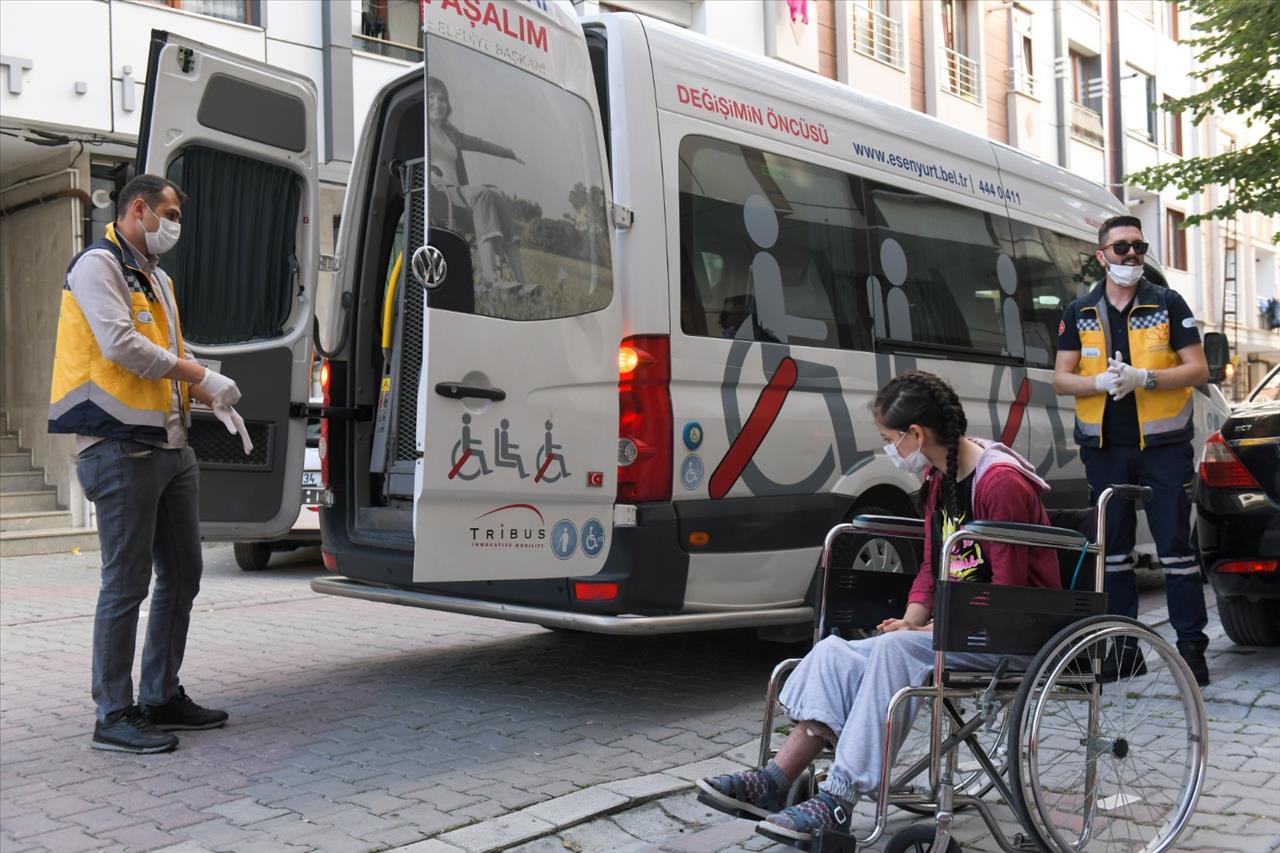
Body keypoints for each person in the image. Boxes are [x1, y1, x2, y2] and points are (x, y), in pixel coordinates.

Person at [697, 370, 1060, 844]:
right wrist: (912, 618)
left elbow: (1009, 592)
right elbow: (934, 562)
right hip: (962, 627)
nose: (889, 450)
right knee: (834, 652)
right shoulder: (940, 478)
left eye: (890, 439)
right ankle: (776, 779)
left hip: (1013, 632)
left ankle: (839, 800)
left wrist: (926, 630)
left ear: (916, 434)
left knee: (895, 653)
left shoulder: (1000, 483)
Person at [49, 174, 252, 753]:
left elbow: (172, 354)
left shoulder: (157, 279)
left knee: (184, 575)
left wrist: (206, 391)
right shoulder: (97, 266)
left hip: (169, 446)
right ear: (138, 209)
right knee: (126, 584)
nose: (174, 226)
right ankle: (113, 714)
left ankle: (160, 695)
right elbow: (120, 345)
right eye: (167, 213)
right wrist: (198, 375)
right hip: (117, 447)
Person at [1052, 214, 1210, 686]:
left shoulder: (1167, 303)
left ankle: (1191, 655)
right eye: (1122, 248)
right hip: (1105, 448)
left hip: (1163, 446)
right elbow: (1060, 378)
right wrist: (1096, 382)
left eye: (1139, 247)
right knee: (1114, 555)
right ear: (1102, 256)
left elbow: (1198, 370)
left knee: (1175, 552)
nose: (1132, 256)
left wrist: (1148, 378)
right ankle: (1123, 654)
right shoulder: (1079, 312)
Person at [427, 76, 529, 291]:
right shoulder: (421, 130)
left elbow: (477, 143)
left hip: (458, 193)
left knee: (497, 196)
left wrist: (509, 153)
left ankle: (522, 282)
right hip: (439, 195)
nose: (437, 104)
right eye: (431, 97)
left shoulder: (450, 133)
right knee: (483, 193)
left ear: (448, 104)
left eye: (442, 99)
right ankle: (492, 280)